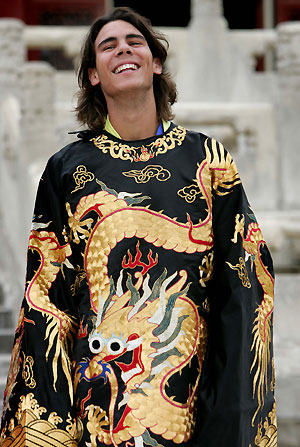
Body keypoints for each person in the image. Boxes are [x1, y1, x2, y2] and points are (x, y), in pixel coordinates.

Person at [0, 7, 277, 447]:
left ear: (156, 63)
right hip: (99, 405)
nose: (123, 50)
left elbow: (245, 288)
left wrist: (231, 412)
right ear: (94, 75)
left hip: (191, 405)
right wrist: (50, 426)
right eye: (107, 46)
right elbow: (46, 301)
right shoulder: (66, 171)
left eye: (135, 42)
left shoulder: (207, 161)